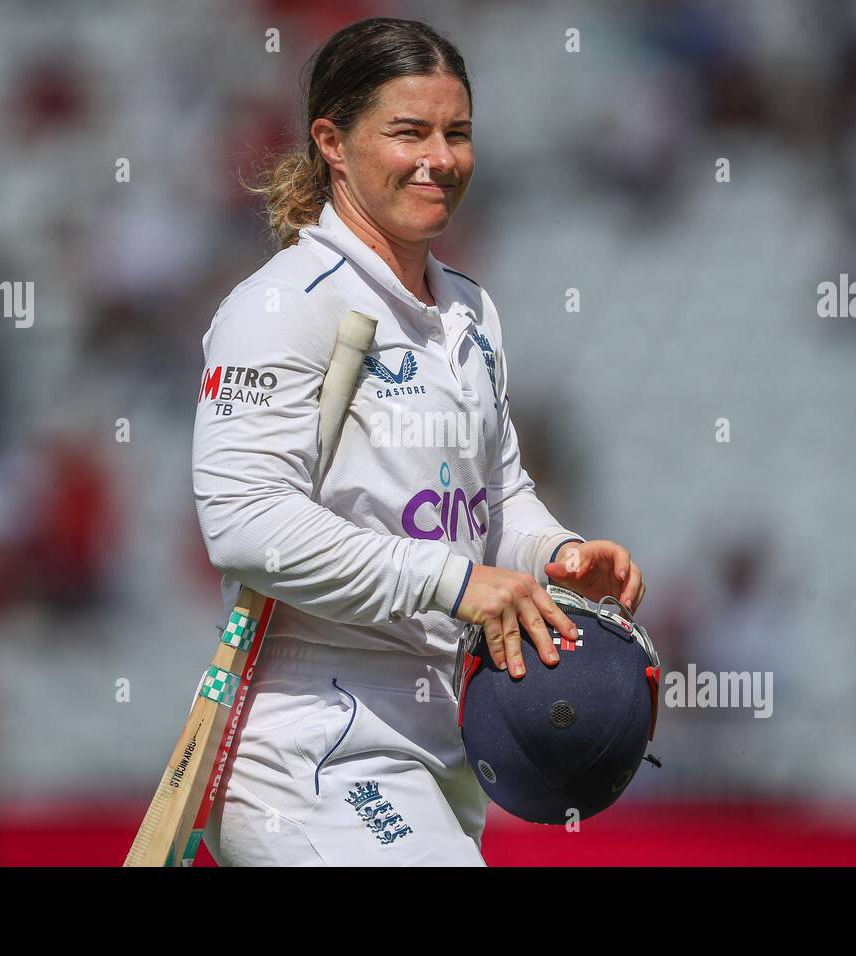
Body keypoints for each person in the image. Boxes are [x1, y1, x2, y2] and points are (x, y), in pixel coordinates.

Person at [193, 16, 644, 866]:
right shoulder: (285, 305)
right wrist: (455, 581)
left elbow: (496, 493)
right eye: (409, 131)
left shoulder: (469, 308)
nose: (439, 158)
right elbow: (244, 525)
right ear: (332, 140)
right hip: (314, 747)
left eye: (457, 132)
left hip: (446, 745)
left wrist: (556, 552)